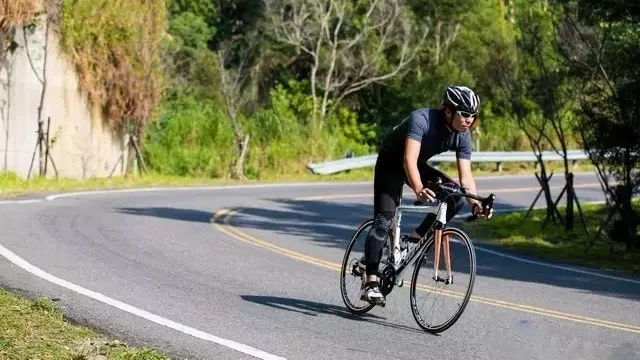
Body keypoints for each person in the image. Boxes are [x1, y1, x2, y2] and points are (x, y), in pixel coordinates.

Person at [361, 85, 493, 305]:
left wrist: (475, 205)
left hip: (417, 165)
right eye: (464, 114)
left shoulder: (462, 135)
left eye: (473, 116)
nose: (469, 120)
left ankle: (412, 240)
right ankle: (370, 282)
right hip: (392, 163)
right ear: (447, 111)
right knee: (384, 221)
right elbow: (408, 160)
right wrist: (418, 187)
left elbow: (466, 179)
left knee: (455, 198)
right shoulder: (421, 120)